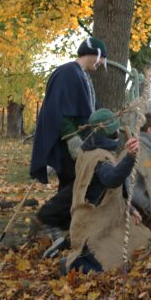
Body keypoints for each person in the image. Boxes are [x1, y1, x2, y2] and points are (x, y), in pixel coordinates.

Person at [29, 37, 107, 253]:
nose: (101, 65)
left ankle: (61, 231)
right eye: (102, 59)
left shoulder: (83, 77)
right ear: (95, 53)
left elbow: (90, 111)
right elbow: (59, 109)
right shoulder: (67, 73)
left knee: (71, 184)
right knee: (86, 181)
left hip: (81, 142)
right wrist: (71, 137)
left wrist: (109, 122)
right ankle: (45, 219)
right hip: (68, 143)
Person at [61, 108, 151, 274]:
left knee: (143, 241)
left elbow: (108, 190)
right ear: (112, 133)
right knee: (109, 266)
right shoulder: (98, 158)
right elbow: (111, 179)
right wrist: (130, 157)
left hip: (109, 218)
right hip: (93, 226)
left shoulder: (88, 149)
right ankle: (74, 263)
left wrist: (129, 209)